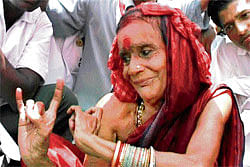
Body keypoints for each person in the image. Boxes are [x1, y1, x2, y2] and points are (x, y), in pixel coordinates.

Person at [16, 3, 244, 167]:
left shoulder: (213, 101)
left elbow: (197, 163)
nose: (132, 69)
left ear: (177, 53)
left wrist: (95, 144)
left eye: (146, 52)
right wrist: (39, 160)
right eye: (125, 58)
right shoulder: (115, 108)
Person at [42, 0, 211, 110]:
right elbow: (50, 15)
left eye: (145, 52)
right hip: (88, 111)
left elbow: (194, 10)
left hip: (150, 119)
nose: (134, 69)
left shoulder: (169, 11)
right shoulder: (97, 3)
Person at [0, 0, 78, 147]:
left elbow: (24, 92)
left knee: (64, 101)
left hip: (4, 114)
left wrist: (2, 66)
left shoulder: (41, 22)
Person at [207, 0, 249, 165]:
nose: (241, 30)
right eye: (229, 27)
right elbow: (219, 102)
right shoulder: (224, 50)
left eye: (245, 16)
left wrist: (236, 85)